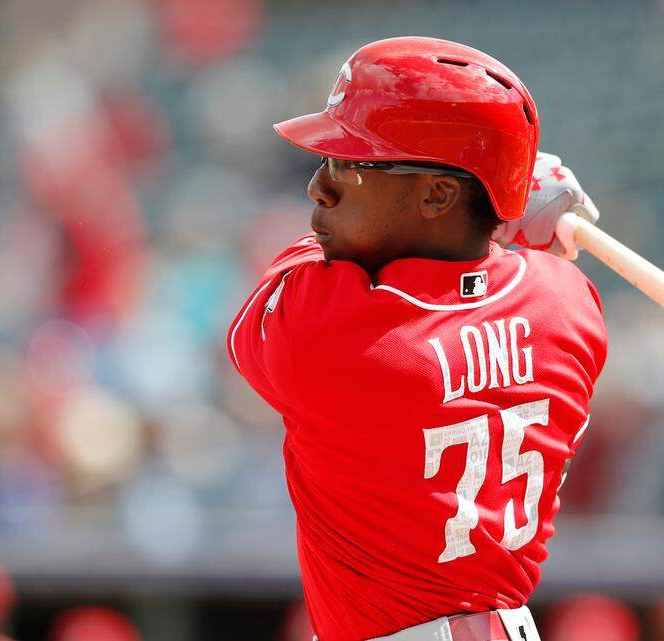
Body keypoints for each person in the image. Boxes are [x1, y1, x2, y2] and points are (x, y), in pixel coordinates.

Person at [227, 37, 607, 641]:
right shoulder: (568, 304)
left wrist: (506, 206)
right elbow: (480, 272)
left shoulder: (329, 336)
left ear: (437, 194)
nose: (319, 189)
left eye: (351, 166)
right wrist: (502, 200)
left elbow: (298, 265)